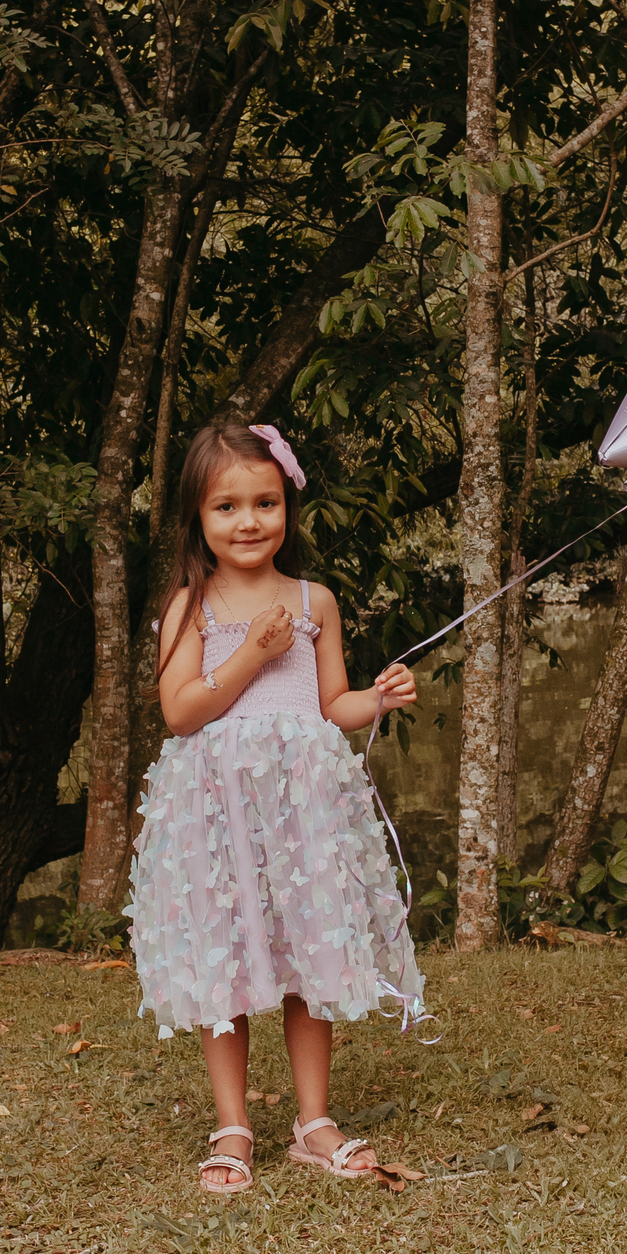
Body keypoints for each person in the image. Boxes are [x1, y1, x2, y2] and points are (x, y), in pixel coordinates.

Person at [128, 417, 424, 1194]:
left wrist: (378, 696)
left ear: (287, 506)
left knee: (305, 952)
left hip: (302, 811)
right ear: (198, 515)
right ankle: (233, 1125)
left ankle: (313, 1120)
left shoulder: (312, 599)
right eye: (228, 507)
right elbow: (181, 712)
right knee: (227, 957)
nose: (250, 521)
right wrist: (253, 652)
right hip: (218, 809)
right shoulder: (192, 605)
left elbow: (331, 707)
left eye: (265, 502)